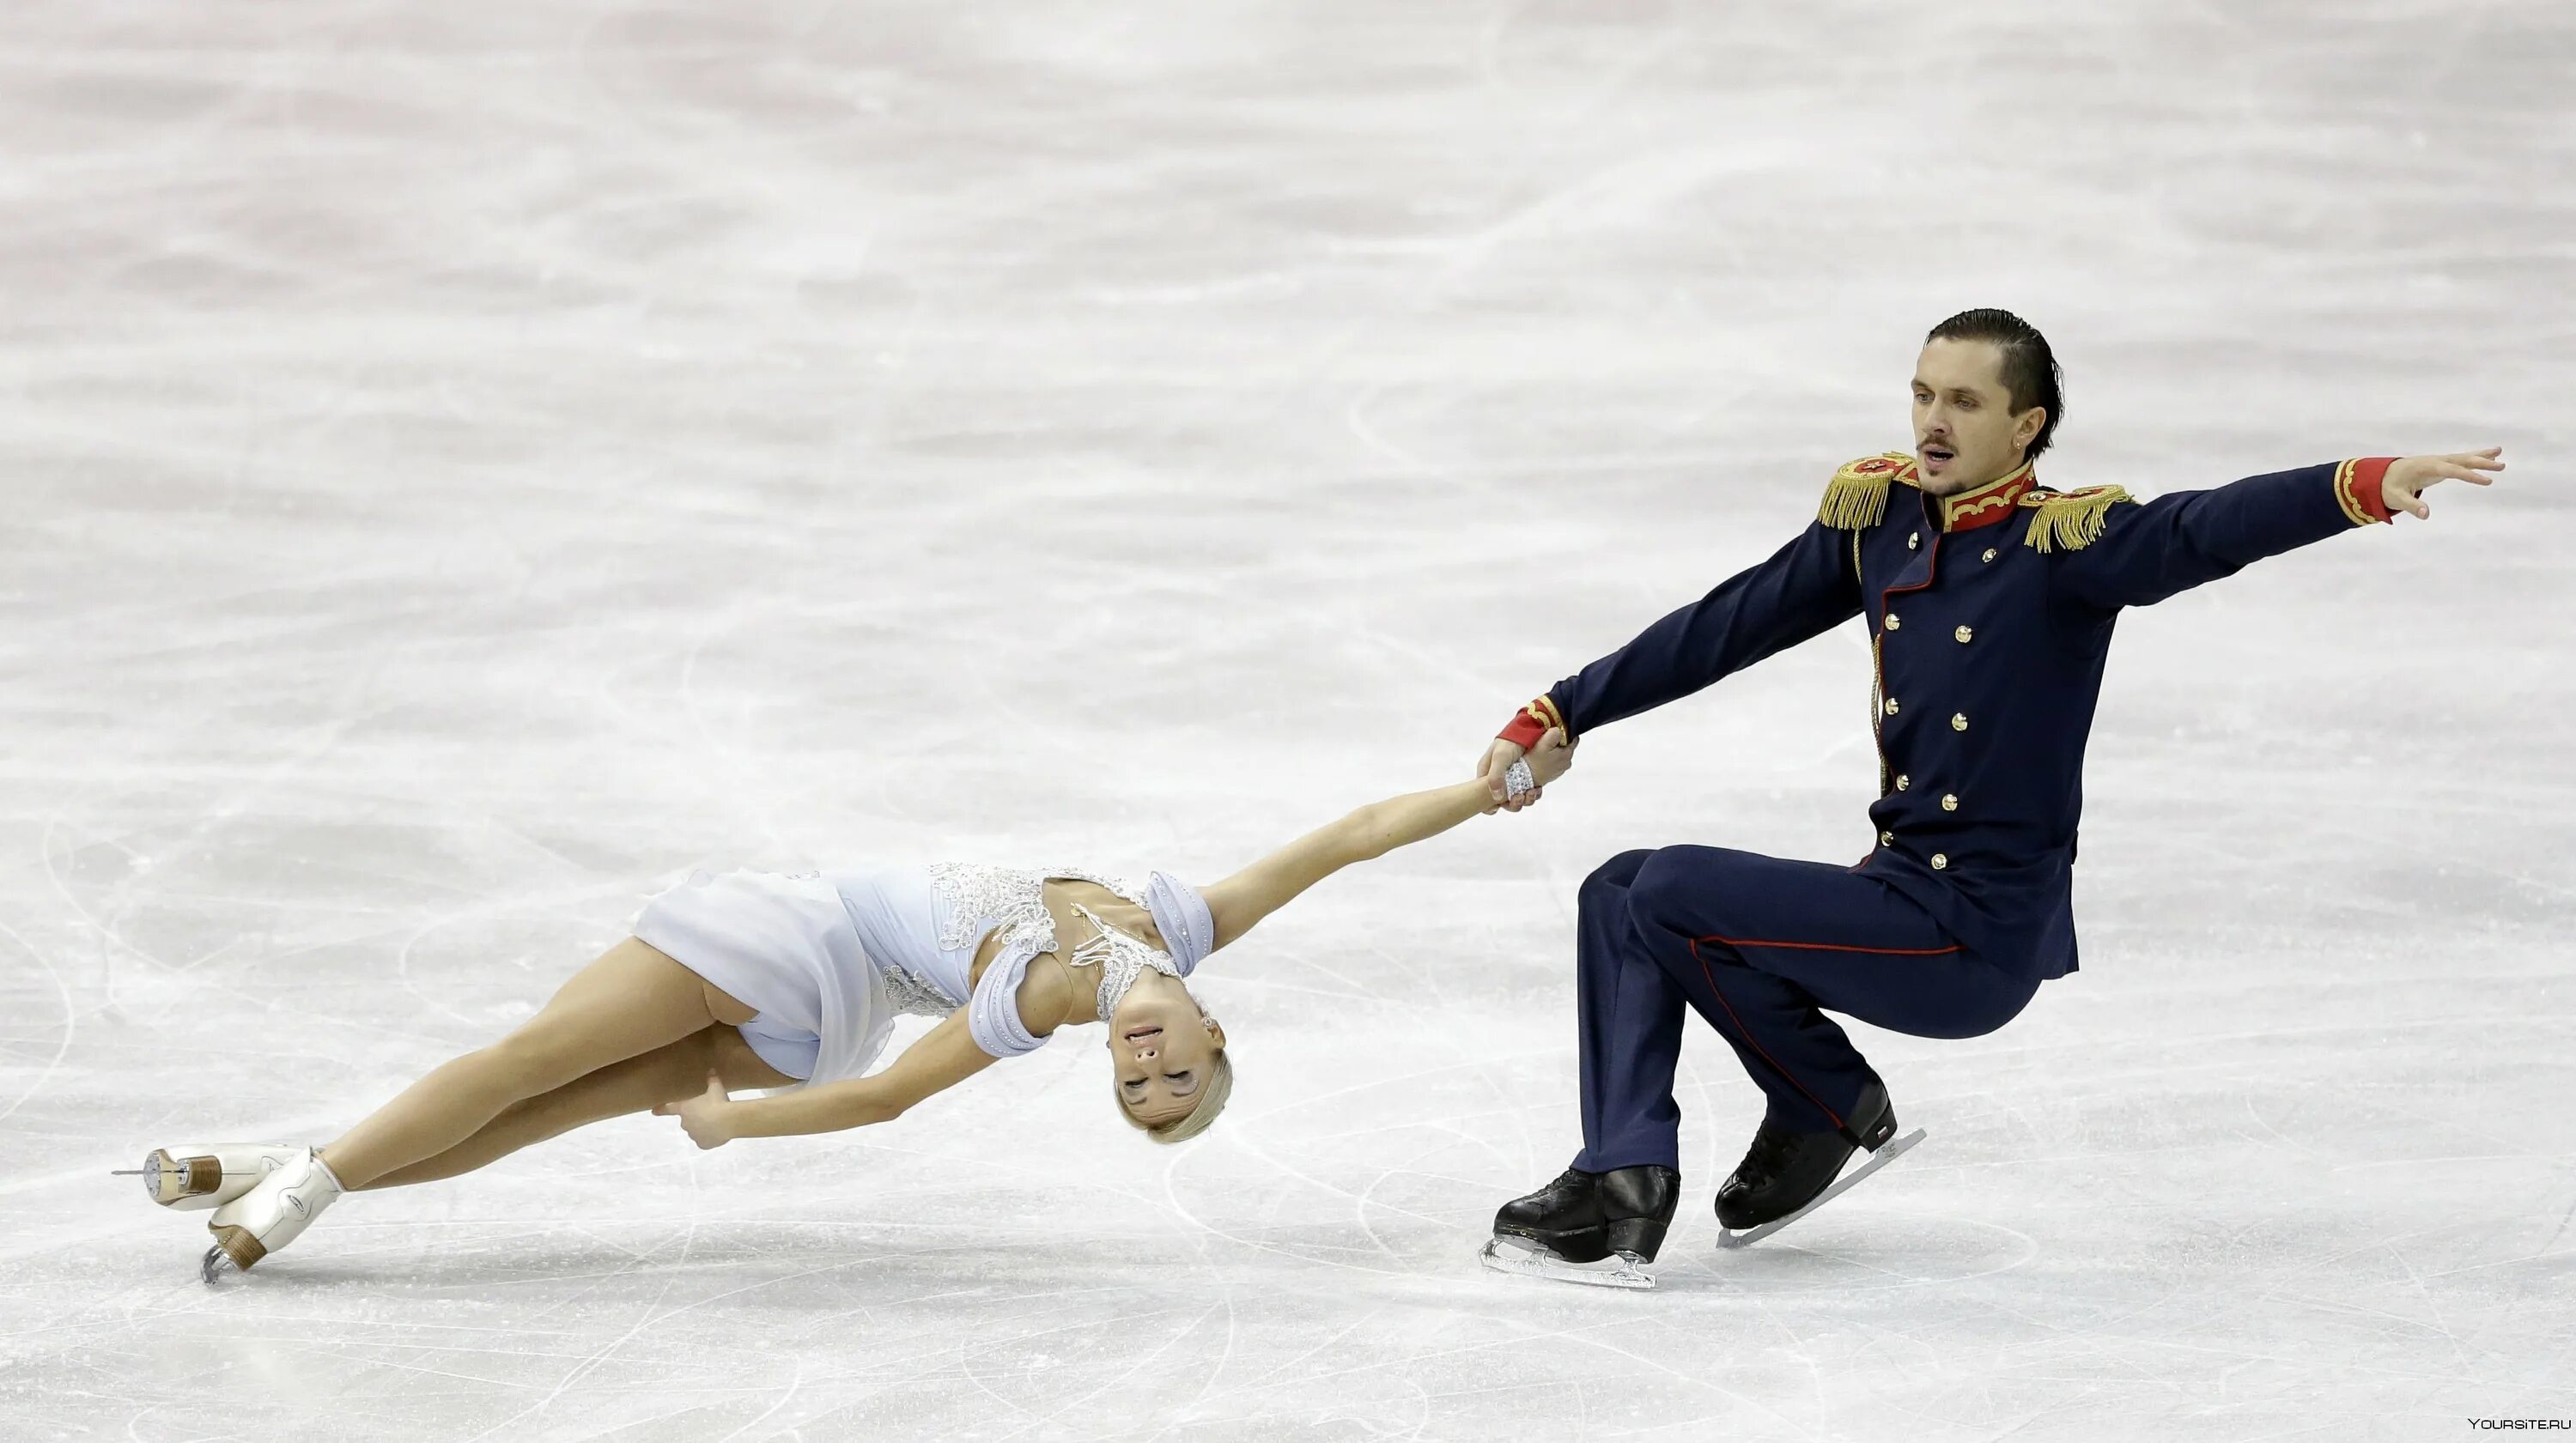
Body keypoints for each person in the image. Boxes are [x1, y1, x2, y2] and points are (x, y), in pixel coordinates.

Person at [1472, 307, 2505, 1288]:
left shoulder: (2066, 548)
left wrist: (2361, 482)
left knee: (1672, 889)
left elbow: (2209, 526)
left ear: (2027, 425)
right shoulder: (1881, 525)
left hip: (1974, 938)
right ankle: (1639, 1167)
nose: (1932, 420)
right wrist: (1564, 710)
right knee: (1619, 891)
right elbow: (1727, 623)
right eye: (1923, 393)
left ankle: (1804, 1106)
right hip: (1896, 894)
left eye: (1965, 402)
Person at [135, 733, 1577, 1281]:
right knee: (522, 1117)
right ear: (1211, 1034)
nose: (1147, 1076)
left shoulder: (1047, 996)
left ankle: (300, 1191)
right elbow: (1350, 833)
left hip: (786, 950)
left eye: (1140, 1097)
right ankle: (271, 1168)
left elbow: (893, 1097)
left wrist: (738, 1131)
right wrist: (1494, 780)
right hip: (808, 1019)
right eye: (1173, 1082)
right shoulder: (1185, 924)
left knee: (521, 1061)